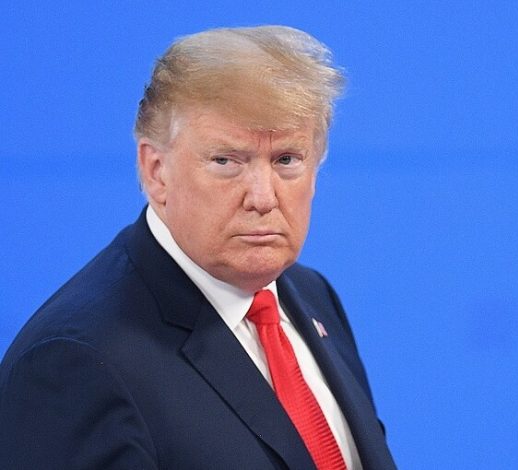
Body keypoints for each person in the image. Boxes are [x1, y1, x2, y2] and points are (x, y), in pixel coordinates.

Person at [0, 25, 395, 469]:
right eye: (226, 161)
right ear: (156, 171)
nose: (263, 198)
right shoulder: (75, 362)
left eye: (286, 159)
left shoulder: (311, 295)